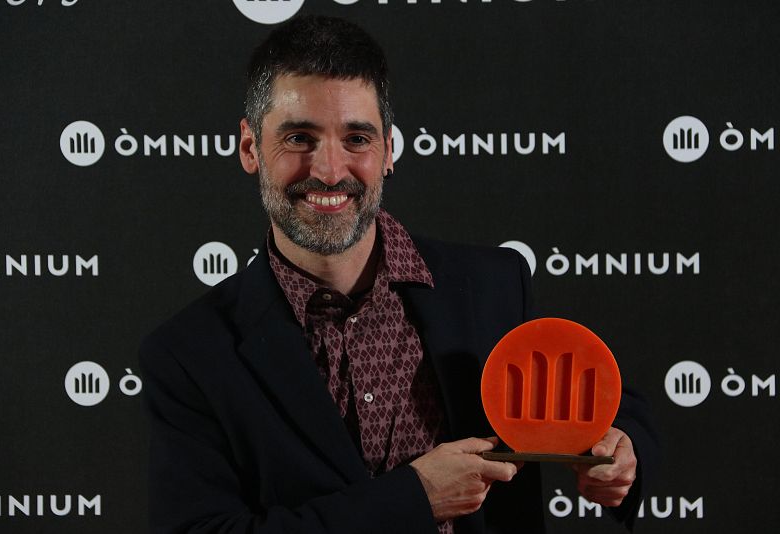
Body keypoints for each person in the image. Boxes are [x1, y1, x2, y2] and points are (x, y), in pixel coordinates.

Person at [140, 15, 658, 534]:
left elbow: (601, 403)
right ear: (251, 148)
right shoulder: (189, 355)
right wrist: (415, 498)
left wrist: (621, 452)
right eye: (299, 137)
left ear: (388, 150)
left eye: (356, 138)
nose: (330, 171)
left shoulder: (492, 285)